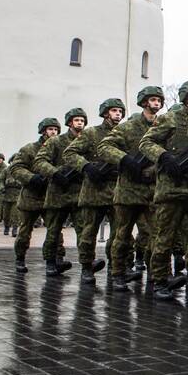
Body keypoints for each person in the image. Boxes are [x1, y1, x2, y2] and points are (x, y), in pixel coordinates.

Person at [139, 80, 188, 300]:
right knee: (165, 237)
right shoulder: (170, 118)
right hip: (171, 188)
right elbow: (146, 142)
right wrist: (164, 157)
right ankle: (160, 280)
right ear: (187, 97)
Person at [100, 86, 163, 291]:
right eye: (152, 100)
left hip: (152, 190)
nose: (156, 103)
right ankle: (118, 272)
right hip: (128, 189)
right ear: (144, 102)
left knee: (155, 234)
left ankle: (155, 275)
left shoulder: (163, 125)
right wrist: (125, 160)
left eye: (159, 100)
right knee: (123, 234)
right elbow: (105, 147)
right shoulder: (129, 126)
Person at [65, 98, 126, 285]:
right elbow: (69, 153)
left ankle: (116, 267)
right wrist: (86, 167)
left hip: (117, 188)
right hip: (94, 188)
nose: (118, 114)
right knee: (88, 231)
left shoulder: (125, 132)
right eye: (114, 111)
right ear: (106, 113)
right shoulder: (91, 133)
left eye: (120, 111)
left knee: (119, 232)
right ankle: (86, 267)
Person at [34, 108, 87, 277]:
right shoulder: (56, 141)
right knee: (54, 231)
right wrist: (55, 173)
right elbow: (39, 161)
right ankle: (51, 262)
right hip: (58, 191)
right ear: (70, 122)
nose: (80, 123)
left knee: (83, 230)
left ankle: (87, 264)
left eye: (82, 120)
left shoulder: (88, 140)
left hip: (79, 192)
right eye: (77, 120)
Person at [11, 118, 60, 273]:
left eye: (56, 129)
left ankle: (54, 261)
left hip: (51, 196)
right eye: (51, 129)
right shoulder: (29, 149)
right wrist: (31, 178)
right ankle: (20, 258)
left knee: (55, 232)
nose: (54, 132)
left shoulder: (60, 149)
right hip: (30, 197)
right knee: (25, 231)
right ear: (43, 131)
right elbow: (16, 168)